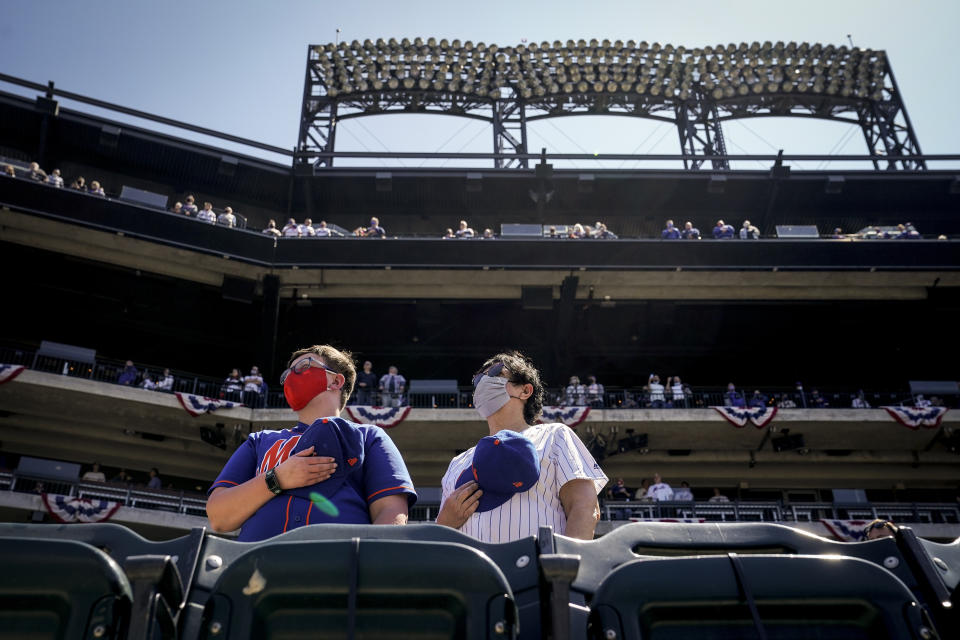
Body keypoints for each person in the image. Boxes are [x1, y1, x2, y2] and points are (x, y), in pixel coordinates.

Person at [206, 344, 416, 541]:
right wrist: (276, 479)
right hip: (254, 573)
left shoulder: (370, 437)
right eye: (287, 374)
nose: (291, 377)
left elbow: (391, 513)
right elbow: (218, 517)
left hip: (339, 573)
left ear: (336, 381)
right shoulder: (259, 441)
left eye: (303, 366)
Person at [437, 351, 607, 542]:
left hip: (535, 569)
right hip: (473, 571)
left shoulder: (554, 437)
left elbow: (584, 508)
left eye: (495, 373)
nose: (484, 381)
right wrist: (444, 522)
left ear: (525, 391)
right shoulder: (458, 462)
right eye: (478, 380)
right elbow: (442, 537)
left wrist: (565, 567)